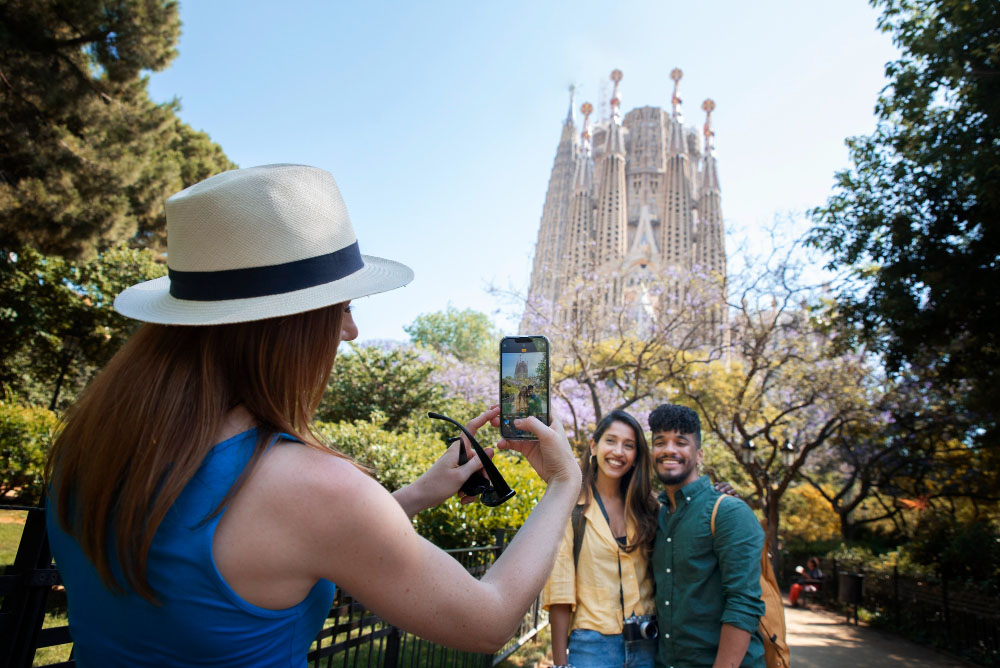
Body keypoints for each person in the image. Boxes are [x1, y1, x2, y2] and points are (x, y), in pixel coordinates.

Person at [44, 164, 582, 667]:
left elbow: (257, 553)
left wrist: (415, 495)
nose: (350, 331)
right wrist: (563, 482)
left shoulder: (88, 446)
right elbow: (489, 620)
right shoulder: (311, 487)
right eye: (342, 308)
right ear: (286, 326)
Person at [649, 404, 765, 668]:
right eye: (660, 442)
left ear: (698, 455)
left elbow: (743, 604)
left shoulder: (729, 512)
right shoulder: (658, 518)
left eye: (681, 442)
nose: (669, 450)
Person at [543, 410, 660, 668]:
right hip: (593, 648)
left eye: (628, 446)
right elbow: (560, 593)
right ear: (594, 446)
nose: (618, 451)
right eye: (611, 441)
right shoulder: (571, 507)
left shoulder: (649, 507)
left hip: (648, 643)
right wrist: (561, 664)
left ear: (636, 457)